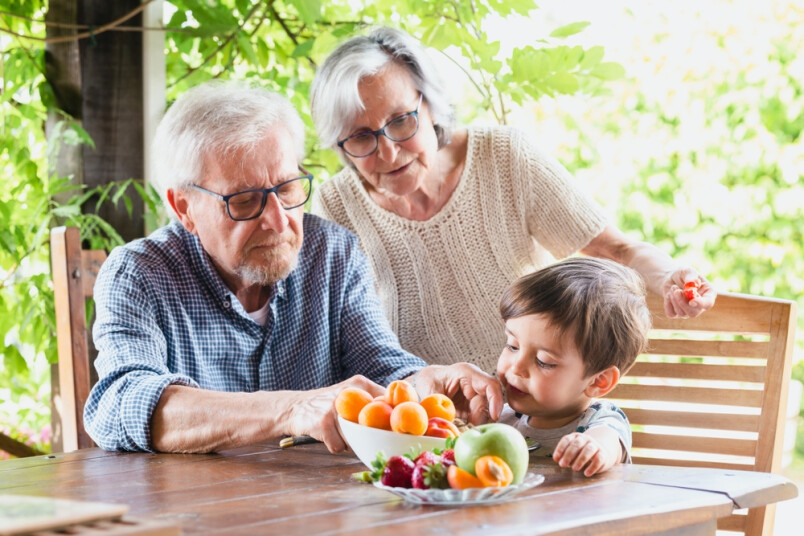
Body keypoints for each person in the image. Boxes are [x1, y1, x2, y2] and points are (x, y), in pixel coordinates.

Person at [83, 81, 502, 454]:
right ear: (184, 208)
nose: (280, 220)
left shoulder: (333, 254)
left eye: (287, 188)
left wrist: (425, 381)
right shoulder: (138, 274)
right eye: (245, 201)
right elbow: (123, 402)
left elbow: (381, 366)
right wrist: (291, 409)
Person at [309, 26, 716, 374]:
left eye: (400, 120)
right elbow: (341, 340)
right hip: (426, 421)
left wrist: (670, 277)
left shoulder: (504, 157)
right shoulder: (335, 207)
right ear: (340, 144)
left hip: (537, 402)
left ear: (429, 104)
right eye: (361, 136)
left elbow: (615, 249)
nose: (389, 152)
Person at [496, 257, 651, 476]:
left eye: (543, 361)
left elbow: (607, 443)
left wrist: (593, 448)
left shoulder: (600, 421)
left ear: (598, 381)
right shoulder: (502, 418)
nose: (516, 367)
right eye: (512, 346)